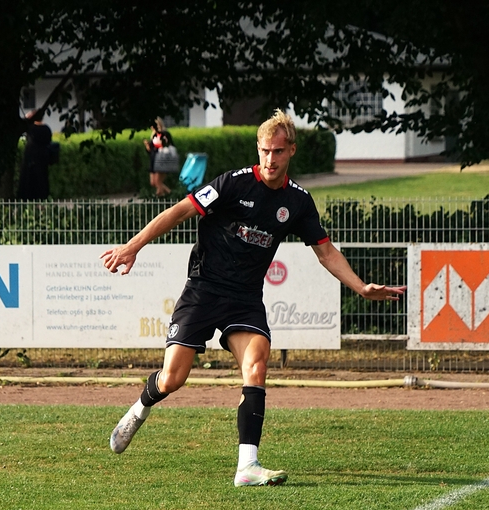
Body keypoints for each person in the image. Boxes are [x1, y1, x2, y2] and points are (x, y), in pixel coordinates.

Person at [101, 109, 405, 487]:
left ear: (291, 150)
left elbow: (326, 252)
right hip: (203, 288)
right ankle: (139, 408)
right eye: (264, 151)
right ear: (257, 149)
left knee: (257, 365)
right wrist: (132, 247)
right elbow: (180, 211)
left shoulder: (298, 201)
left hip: (245, 298)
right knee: (172, 379)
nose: (270, 159)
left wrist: (360, 287)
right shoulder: (233, 184)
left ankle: (247, 466)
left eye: (278, 151)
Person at [18, 110, 57, 200]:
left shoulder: (31, 129)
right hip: (43, 158)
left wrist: (27, 118)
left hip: (31, 159)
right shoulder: (46, 129)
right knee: (42, 181)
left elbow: (24, 124)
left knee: (29, 182)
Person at [144, 117, 174, 196]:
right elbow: (151, 151)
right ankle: (170, 194)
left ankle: (160, 197)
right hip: (153, 160)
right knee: (153, 182)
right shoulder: (153, 135)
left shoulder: (164, 134)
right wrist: (148, 146)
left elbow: (169, 146)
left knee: (158, 182)